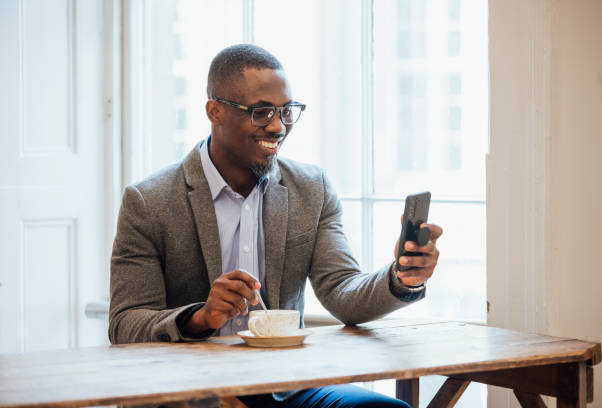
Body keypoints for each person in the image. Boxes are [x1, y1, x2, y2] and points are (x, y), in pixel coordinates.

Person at [109, 44, 442, 408]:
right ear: (214, 111)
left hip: (286, 384)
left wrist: (402, 277)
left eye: (286, 111)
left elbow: (342, 290)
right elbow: (125, 323)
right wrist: (201, 317)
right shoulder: (148, 201)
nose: (278, 126)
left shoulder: (311, 189)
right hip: (189, 390)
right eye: (261, 112)